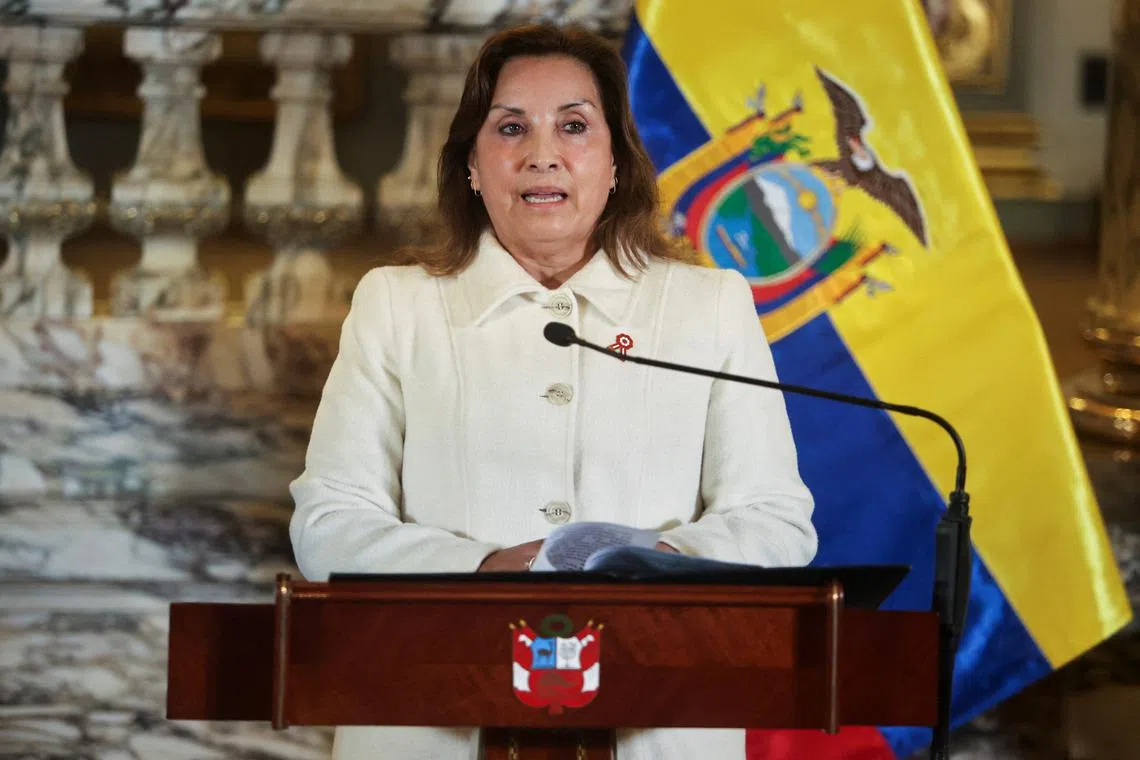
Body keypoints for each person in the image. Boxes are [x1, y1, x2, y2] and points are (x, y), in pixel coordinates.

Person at [289, 22, 817, 760]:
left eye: (573, 125)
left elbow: (776, 521)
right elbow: (328, 523)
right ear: (472, 164)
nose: (542, 153)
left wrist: (651, 566)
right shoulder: (398, 306)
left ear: (615, 163)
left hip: (658, 724)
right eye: (510, 127)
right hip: (430, 724)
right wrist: (483, 571)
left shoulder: (710, 304)